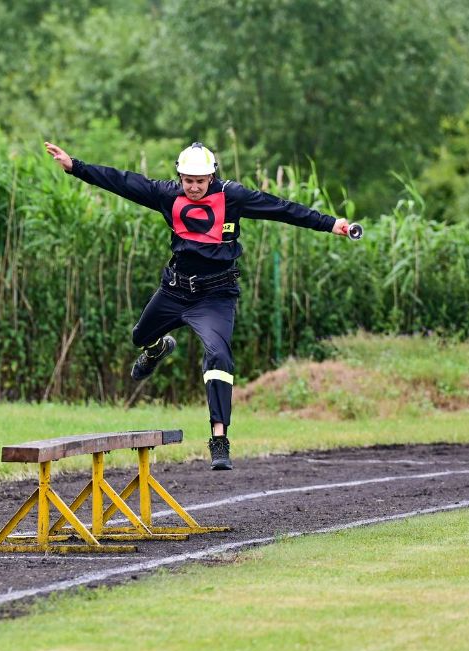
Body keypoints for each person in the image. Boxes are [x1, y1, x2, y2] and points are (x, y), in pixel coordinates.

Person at [44, 141, 352, 470]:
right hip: (175, 290)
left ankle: (219, 437)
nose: (193, 188)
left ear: (212, 177)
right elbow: (122, 181)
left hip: (216, 296)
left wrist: (332, 224)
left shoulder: (233, 196)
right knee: (139, 336)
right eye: (188, 181)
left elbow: (284, 209)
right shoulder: (166, 194)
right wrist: (75, 166)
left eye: (200, 181)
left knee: (219, 356)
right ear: (179, 177)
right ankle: (155, 349)